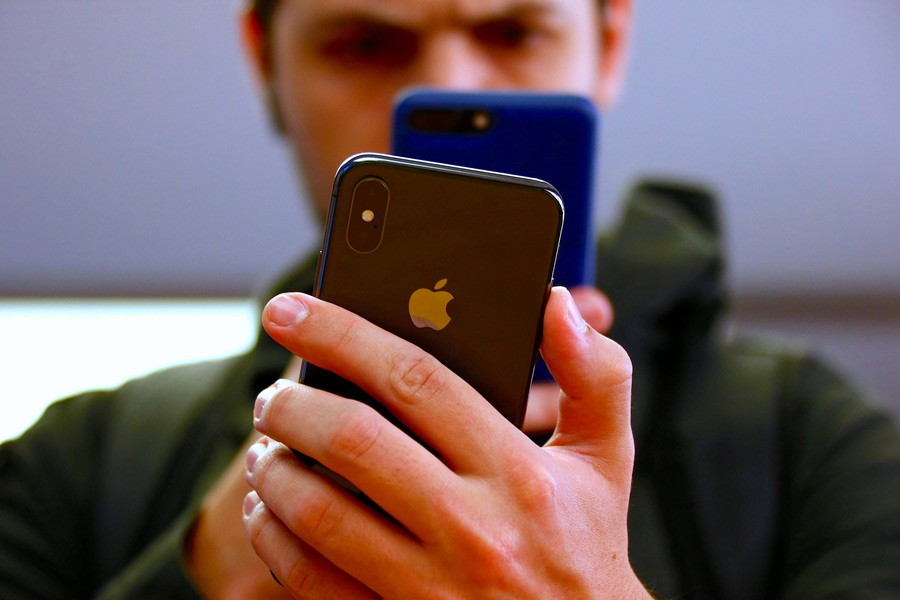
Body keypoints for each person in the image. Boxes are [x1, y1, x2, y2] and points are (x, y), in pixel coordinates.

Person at [1, 0, 899, 597]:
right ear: (263, 60)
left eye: (511, 31)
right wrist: (211, 569)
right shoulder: (76, 465)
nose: (449, 86)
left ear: (609, 43)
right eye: (364, 42)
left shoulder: (815, 448)